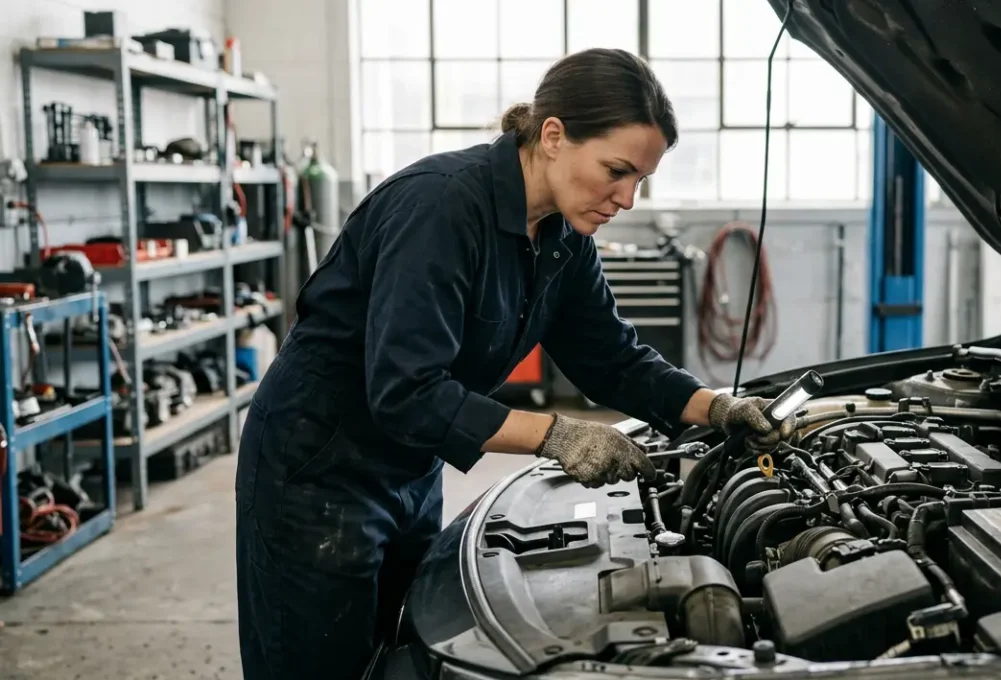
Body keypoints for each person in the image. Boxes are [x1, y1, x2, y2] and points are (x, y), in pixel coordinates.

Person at [234, 47, 796, 680]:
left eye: (640, 179)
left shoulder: (561, 233)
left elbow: (610, 354)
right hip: (318, 465)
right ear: (552, 135)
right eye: (616, 170)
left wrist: (713, 408)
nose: (628, 199)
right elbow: (406, 391)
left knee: (397, 656)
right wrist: (555, 434)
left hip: (411, 465)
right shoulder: (441, 207)